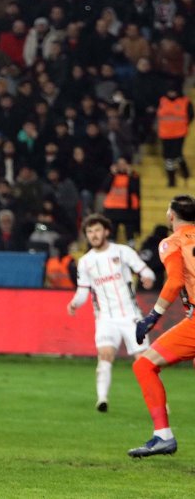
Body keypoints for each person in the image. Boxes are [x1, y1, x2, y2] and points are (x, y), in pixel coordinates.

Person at [67, 214, 155, 413]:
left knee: (144, 361)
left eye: (97, 230)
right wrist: (74, 303)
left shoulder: (123, 252)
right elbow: (83, 292)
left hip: (130, 316)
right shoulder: (86, 262)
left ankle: (158, 402)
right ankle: (102, 399)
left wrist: (147, 278)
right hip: (105, 318)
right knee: (105, 355)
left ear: (106, 231)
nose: (94, 235)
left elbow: (146, 271)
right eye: (89, 232)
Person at [130, 195, 195, 457]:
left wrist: (152, 316)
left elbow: (175, 280)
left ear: (171, 215)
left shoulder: (172, 242)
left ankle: (163, 435)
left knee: (144, 364)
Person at [156, 87, 193, 188]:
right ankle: (172, 179)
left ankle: (184, 173)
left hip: (179, 133)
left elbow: (191, 115)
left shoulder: (184, 101)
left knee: (176, 154)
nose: (171, 93)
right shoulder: (162, 100)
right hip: (165, 133)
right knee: (168, 157)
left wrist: (184, 125)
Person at [100, 158, 141, 243]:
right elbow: (105, 188)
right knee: (112, 234)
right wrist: (112, 174)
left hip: (127, 209)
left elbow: (134, 189)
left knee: (130, 233)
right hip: (112, 209)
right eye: (119, 164)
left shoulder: (134, 176)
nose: (121, 166)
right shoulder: (111, 175)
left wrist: (130, 175)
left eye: (124, 164)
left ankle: (131, 249)